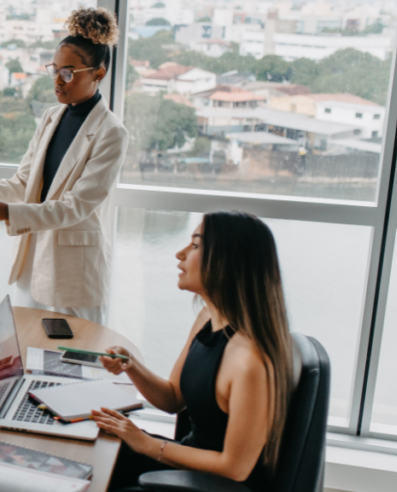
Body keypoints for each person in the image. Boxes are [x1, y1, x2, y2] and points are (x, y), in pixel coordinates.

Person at [91, 211, 295, 492]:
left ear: (227, 261)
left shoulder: (250, 361)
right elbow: (173, 398)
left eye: (195, 245)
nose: (180, 253)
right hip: (184, 463)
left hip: (209, 483)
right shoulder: (206, 318)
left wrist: (146, 443)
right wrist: (131, 365)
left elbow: (235, 468)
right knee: (85, 454)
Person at [0, 7, 128, 324]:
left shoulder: (111, 132)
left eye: (69, 73)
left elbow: (75, 207)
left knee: (75, 362)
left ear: (98, 74)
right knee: (26, 349)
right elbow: (23, 184)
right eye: (54, 69)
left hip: (76, 273)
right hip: (33, 262)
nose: (58, 81)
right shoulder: (51, 116)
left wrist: (7, 212)